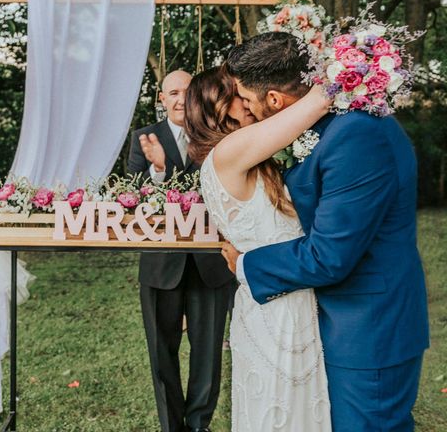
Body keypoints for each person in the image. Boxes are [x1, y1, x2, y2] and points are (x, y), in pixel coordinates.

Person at [220, 32, 429, 431]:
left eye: (247, 100)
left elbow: (330, 255)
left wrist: (246, 265)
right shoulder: (332, 126)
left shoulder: (356, 136)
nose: (244, 110)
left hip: (369, 332)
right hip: (347, 322)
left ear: (274, 101)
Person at [185, 63, 332, 431]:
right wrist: (346, 60)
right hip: (279, 309)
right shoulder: (230, 149)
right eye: (239, 93)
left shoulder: (242, 158)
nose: (248, 99)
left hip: (272, 298)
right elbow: (317, 102)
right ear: (220, 106)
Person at [127, 70, 235, 432]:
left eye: (186, 92)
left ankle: (199, 425)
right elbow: (133, 199)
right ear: (161, 98)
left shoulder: (219, 134)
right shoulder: (142, 138)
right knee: (162, 356)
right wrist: (158, 169)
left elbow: (222, 187)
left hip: (212, 266)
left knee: (207, 356)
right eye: (171, 92)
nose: (178, 99)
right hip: (161, 266)